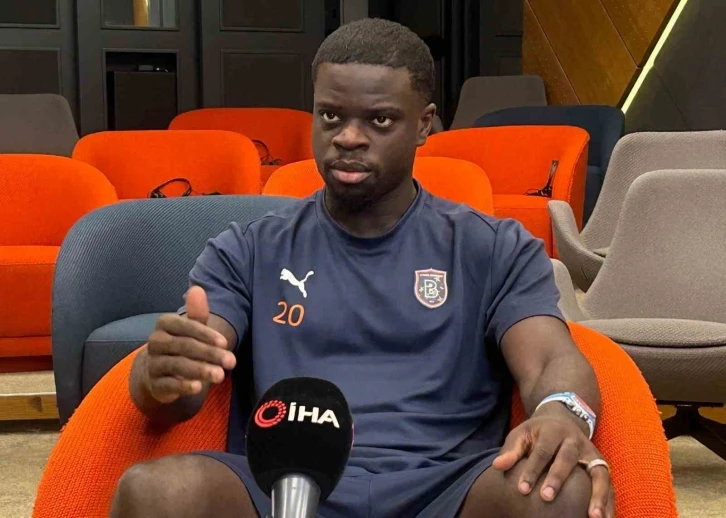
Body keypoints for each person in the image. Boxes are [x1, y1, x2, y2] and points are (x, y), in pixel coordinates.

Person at [111, 18, 614, 518]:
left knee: (561, 493)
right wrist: (160, 375)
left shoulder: (495, 248)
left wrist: (562, 412)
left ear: (424, 124)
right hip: (284, 485)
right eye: (330, 116)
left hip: (446, 486)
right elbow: (183, 382)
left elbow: (551, 360)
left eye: (379, 121)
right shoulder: (247, 249)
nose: (348, 138)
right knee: (155, 492)